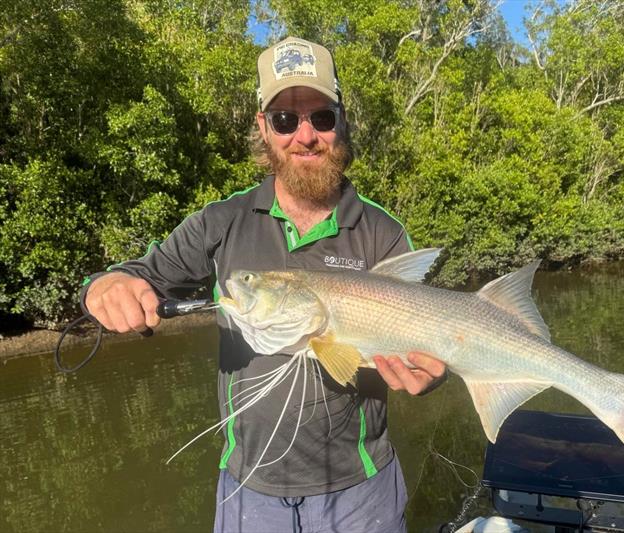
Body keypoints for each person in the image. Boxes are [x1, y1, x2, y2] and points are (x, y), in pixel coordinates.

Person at [82, 36, 446, 532]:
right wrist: (103, 286)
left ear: (341, 122)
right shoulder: (221, 222)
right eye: (285, 119)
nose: (305, 135)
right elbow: (137, 274)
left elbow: (432, 340)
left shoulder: (382, 231)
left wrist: (432, 376)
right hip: (248, 489)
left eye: (322, 117)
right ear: (263, 128)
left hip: (361, 490)